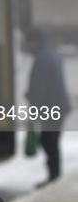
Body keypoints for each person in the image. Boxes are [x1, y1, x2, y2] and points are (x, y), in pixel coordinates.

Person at [24, 28, 72, 187]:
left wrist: (35, 107)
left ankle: (54, 179)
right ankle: (54, 177)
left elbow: (41, 89)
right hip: (57, 106)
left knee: (49, 142)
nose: (28, 46)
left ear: (34, 42)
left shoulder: (43, 58)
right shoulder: (49, 53)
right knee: (51, 142)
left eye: (29, 42)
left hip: (51, 108)